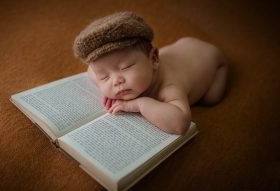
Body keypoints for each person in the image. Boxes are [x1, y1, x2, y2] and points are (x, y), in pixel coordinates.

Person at [73, 11, 228, 134]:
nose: (116, 81)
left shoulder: (168, 85)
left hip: (211, 58)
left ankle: (222, 66)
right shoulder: (109, 72)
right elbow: (91, 71)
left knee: (210, 99)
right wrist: (104, 87)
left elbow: (180, 124)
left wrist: (139, 105)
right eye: (104, 76)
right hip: (183, 46)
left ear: (153, 59)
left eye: (126, 67)